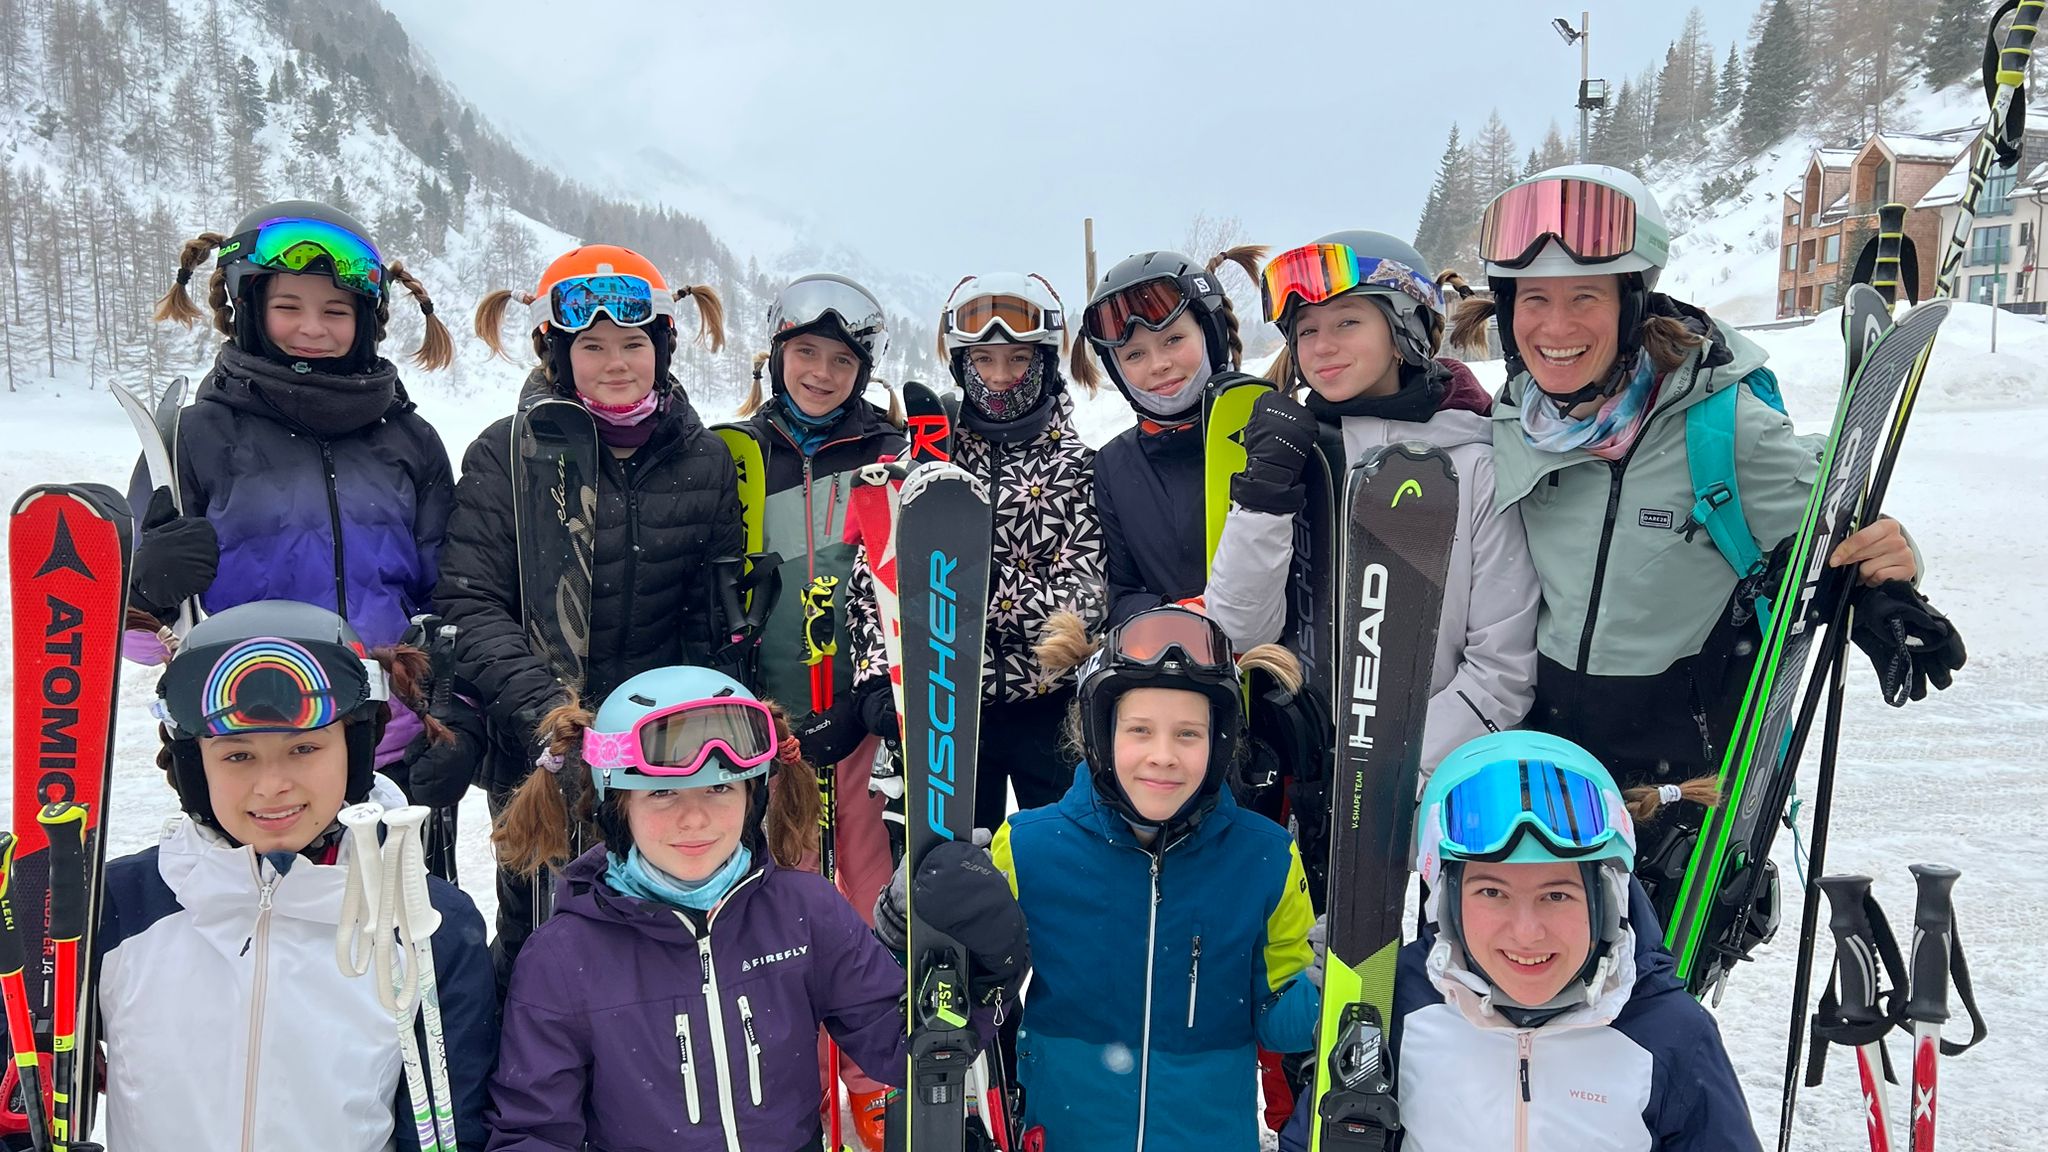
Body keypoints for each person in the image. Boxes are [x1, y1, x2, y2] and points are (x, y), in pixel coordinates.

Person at [1446, 164, 1960, 912]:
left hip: (1678, 773)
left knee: (1649, 982)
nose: (1555, 328)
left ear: (1631, 302)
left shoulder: (1722, 426)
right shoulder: (1512, 423)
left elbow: (1838, 519)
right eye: (1534, 299)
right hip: (1542, 759)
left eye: (1585, 297)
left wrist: (1889, 571)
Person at [484, 666, 1026, 1152]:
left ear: (753, 797)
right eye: (662, 794)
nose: (695, 819)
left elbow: (906, 1050)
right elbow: (534, 1131)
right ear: (617, 805)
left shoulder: (806, 912)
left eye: (719, 788)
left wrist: (983, 973)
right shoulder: (562, 958)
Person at [440, 244, 743, 980]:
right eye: (593, 347)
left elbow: (709, 614)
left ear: (662, 348)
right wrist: (549, 713)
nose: (616, 364)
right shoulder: (506, 454)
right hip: (543, 741)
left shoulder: (702, 459)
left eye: (633, 344)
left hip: (658, 746)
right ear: (557, 354)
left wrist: (714, 730)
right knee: (543, 931)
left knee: (663, 921)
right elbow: (469, 601)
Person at [96, 601, 496, 1151]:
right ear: (194, 765)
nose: (271, 786)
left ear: (356, 750)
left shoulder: (427, 924)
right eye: (237, 756)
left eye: (304, 748)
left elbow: (451, 1128)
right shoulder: (118, 906)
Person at [140, 200, 480, 831]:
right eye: (288, 306)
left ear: (366, 320)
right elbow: (134, 636)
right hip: (255, 747)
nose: (312, 328)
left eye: (335, 311)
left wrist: (457, 714)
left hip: (395, 744)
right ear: (248, 308)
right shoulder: (195, 437)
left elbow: (453, 596)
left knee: (407, 899)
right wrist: (145, 590)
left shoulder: (410, 440)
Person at [1278, 730, 1761, 1151]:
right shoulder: (1393, 1007)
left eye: (1556, 895)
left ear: (1607, 900)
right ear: (1447, 903)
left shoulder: (1669, 1035)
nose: (1527, 932)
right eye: (1492, 892)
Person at [984, 606, 1318, 1150]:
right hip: (1071, 1135)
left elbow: (1276, 1021)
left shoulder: (1266, 858)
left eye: (1188, 734)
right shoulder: (1029, 848)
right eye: (1139, 730)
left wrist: (1324, 987)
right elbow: (978, 993)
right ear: (1101, 733)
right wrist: (934, 924)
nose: (1163, 756)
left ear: (1219, 743)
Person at [1208, 230, 1538, 776]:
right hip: (1298, 773)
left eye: (1347, 322)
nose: (1321, 347)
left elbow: (1501, 672)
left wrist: (1383, 773)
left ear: (1406, 327)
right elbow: (1241, 632)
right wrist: (1263, 496)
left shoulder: (1474, 467)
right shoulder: (1295, 456)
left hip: (1417, 783)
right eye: (1306, 330)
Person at [733, 272, 909, 1148]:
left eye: (842, 361)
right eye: (806, 352)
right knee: (781, 907)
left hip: (860, 723)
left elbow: (910, 575)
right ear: (777, 355)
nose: (821, 373)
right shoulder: (736, 456)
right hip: (769, 732)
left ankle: (877, 1084)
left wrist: (872, 697)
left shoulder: (891, 452)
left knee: (869, 899)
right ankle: (794, 1086)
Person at [846, 272, 1106, 831]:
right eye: (983, 360)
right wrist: (876, 676)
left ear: (1044, 362)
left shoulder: (1079, 470)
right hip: (944, 705)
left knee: (1060, 856)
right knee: (949, 867)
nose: (1000, 377)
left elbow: (1080, 609)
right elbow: (873, 583)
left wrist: (963, 578)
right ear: (962, 364)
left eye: (1018, 359)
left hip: (1049, 711)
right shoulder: (926, 457)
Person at [1071, 247, 1265, 626]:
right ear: (1116, 369)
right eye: (1134, 355)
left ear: (1210, 333)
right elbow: (1121, 592)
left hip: (1272, 655)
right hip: (1169, 655)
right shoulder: (1113, 465)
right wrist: (1177, 619)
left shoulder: (1269, 432)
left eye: (1173, 339)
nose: (1158, 364)